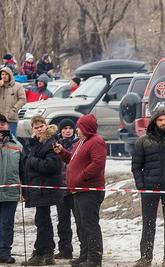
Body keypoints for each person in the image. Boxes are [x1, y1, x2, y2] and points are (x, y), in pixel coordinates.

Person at [132, 110, 165, 267]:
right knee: (148, 224)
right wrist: (141, 186)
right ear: (154, 121)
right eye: (160, 120)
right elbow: (136, 166)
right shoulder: (143, 141)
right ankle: (145, 258)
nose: (163, 122)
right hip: (149, 189)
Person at [53, 114, 106, 267]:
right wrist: (62, 152)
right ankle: (85, 256)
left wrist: (81, 176)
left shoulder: (96, 141)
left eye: (79, 127)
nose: (77, 130)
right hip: (78, 190)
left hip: (89, 190)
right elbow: (72, 159)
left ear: (86, 128)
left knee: (90, 225)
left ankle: (94, 259)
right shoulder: (81, 142)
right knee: (82, 225)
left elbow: (98, 163)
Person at [22, 116, 64, 266]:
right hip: (38, 188)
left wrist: (32, 161)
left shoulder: (51, 142)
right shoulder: (37, 143)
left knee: (42, 221)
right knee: (43, 220)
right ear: (32, 129)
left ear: (46, 126)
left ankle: (40, 253)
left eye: (41, 126)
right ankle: (47, 253)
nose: (39, 129)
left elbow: (51, 165)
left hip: (46, 188)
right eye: (36, 127)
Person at [54, 119, 78, 260]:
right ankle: (65, 250)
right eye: (64, 128)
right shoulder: (56, 145)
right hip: (60, 190)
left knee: (80, 222)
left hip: (75, 190)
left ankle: (85, 249)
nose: (67, 131)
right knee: (63, 223)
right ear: (60, 131)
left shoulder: (78, 144)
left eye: (70, 128)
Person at [0, 114, 21, 264]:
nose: (1, 125)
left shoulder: (17, 144)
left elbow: (23, 169)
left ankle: (4, 253)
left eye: (3, 123)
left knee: (7, 224)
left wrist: (23, 190)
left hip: (11, 192)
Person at [0, 66, 26, 136]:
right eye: (2, 74)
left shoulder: (17, 86)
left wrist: (14, 109)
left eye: (6, 74)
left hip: (11, 118)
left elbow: (23, 99)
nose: (4, 76)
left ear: (10, 75)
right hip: (0, 118)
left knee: (12, 138)